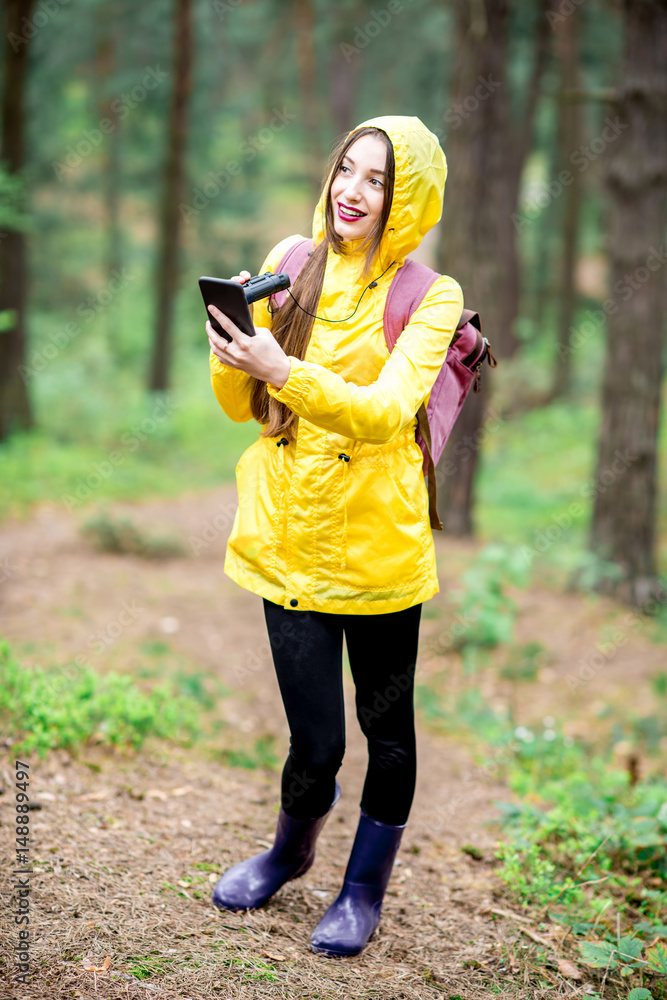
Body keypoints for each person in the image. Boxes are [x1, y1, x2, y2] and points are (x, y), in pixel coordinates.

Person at [205, 114, 464, 958]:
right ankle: (288, 852)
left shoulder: (432, 296)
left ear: (409, 197)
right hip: (287, 534)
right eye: (346, 170)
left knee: (386, 731)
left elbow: (389, 412)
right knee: (314, 737)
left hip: (379, 545)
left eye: (378, 179)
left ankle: (361, 890)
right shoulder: (292, 260)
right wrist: (234, 350)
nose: (353, 191)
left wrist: (281, 367)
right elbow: (244, 407)